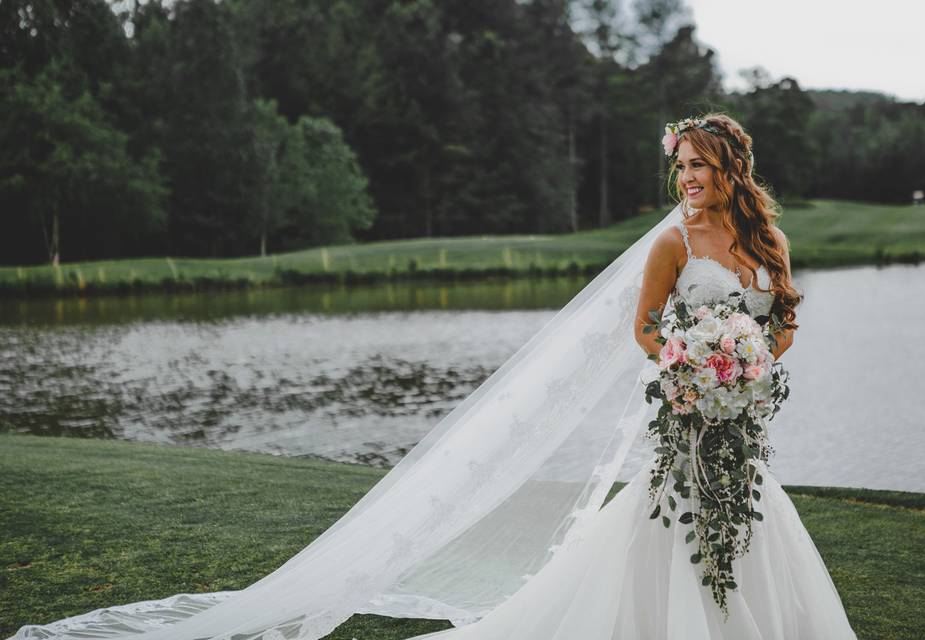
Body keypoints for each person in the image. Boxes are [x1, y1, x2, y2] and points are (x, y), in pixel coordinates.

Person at [9, 115, 858, 640]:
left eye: (700, 169)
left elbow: (779, 328)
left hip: (742, 423)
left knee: (748, 517)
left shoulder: (769, 245)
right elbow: (643, 327)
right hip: (688, 414)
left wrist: (745, 373)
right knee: (670, 521)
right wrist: (685, 372)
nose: (688, 181)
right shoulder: (673, 241)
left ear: (731, 171)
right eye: (681, 170)